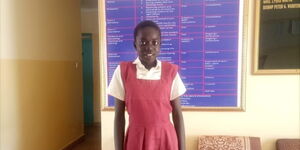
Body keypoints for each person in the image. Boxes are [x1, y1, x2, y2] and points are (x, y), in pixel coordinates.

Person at [108, 20, 186, 150]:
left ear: (160, 45)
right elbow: (119, 116)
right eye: (143, 42)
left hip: (166, 138)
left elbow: (177, 115)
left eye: (154, 42)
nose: (149, 47)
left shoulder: (170, 72)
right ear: (135, 44)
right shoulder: (123, 71)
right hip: (136, 138)